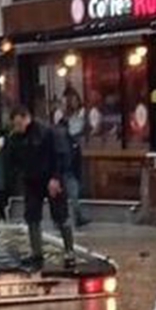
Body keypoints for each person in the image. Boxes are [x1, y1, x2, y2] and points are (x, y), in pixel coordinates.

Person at [10, 105, 74, 269]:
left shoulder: (46, 132)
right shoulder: (17, 137)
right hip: (32, 180)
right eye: (15, 125)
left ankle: (69, 251)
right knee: (32, 216)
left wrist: (56, 178)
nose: (18, 128)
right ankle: (36, 253)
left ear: (26, 118)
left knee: (60, 215)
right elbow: (15, 158)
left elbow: (59, 155)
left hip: (50, 178)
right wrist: (20, 174)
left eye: (19, 124)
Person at [59, 89, 89, 227]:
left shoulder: (73, 122)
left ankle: (73, 217)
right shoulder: (63, 126)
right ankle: (72, 217)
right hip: (66, 165)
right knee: (72, 192)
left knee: (72, 191)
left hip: (69, 164)